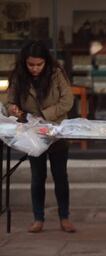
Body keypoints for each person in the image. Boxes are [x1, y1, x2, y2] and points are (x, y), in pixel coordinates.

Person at [7, 40, 76, 233]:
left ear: (45, 62)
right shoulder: (19, 76)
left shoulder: (56, 73)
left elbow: (67, 100)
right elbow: (9, 101)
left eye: (39, 64)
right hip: (32, 134)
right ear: (24, 63)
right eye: (31, 65)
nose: (35, 68)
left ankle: (65, 217)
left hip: (56, 132)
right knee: (38, 176)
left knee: (60, 175)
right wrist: (13, 109)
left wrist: (45, 115)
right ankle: (38, 218)